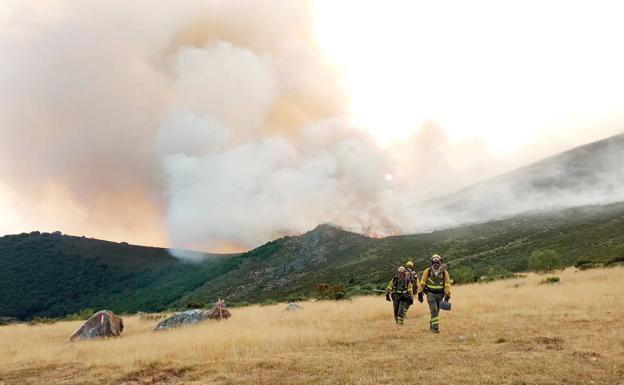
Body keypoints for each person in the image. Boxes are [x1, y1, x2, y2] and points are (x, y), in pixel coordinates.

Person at [417, 254, 451, 333]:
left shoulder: (444, 272)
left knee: (437, 311)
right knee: (434, 310)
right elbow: (422, 283)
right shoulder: (427, 271)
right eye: (434, 262)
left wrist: (447, 295)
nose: (436, 264)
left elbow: (447, 284)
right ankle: (435, 328)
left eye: (437, 262)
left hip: (440, 294)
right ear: (432, 263)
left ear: (440, 262)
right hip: (430, 293)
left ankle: (432, 324)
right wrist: (420, 293)